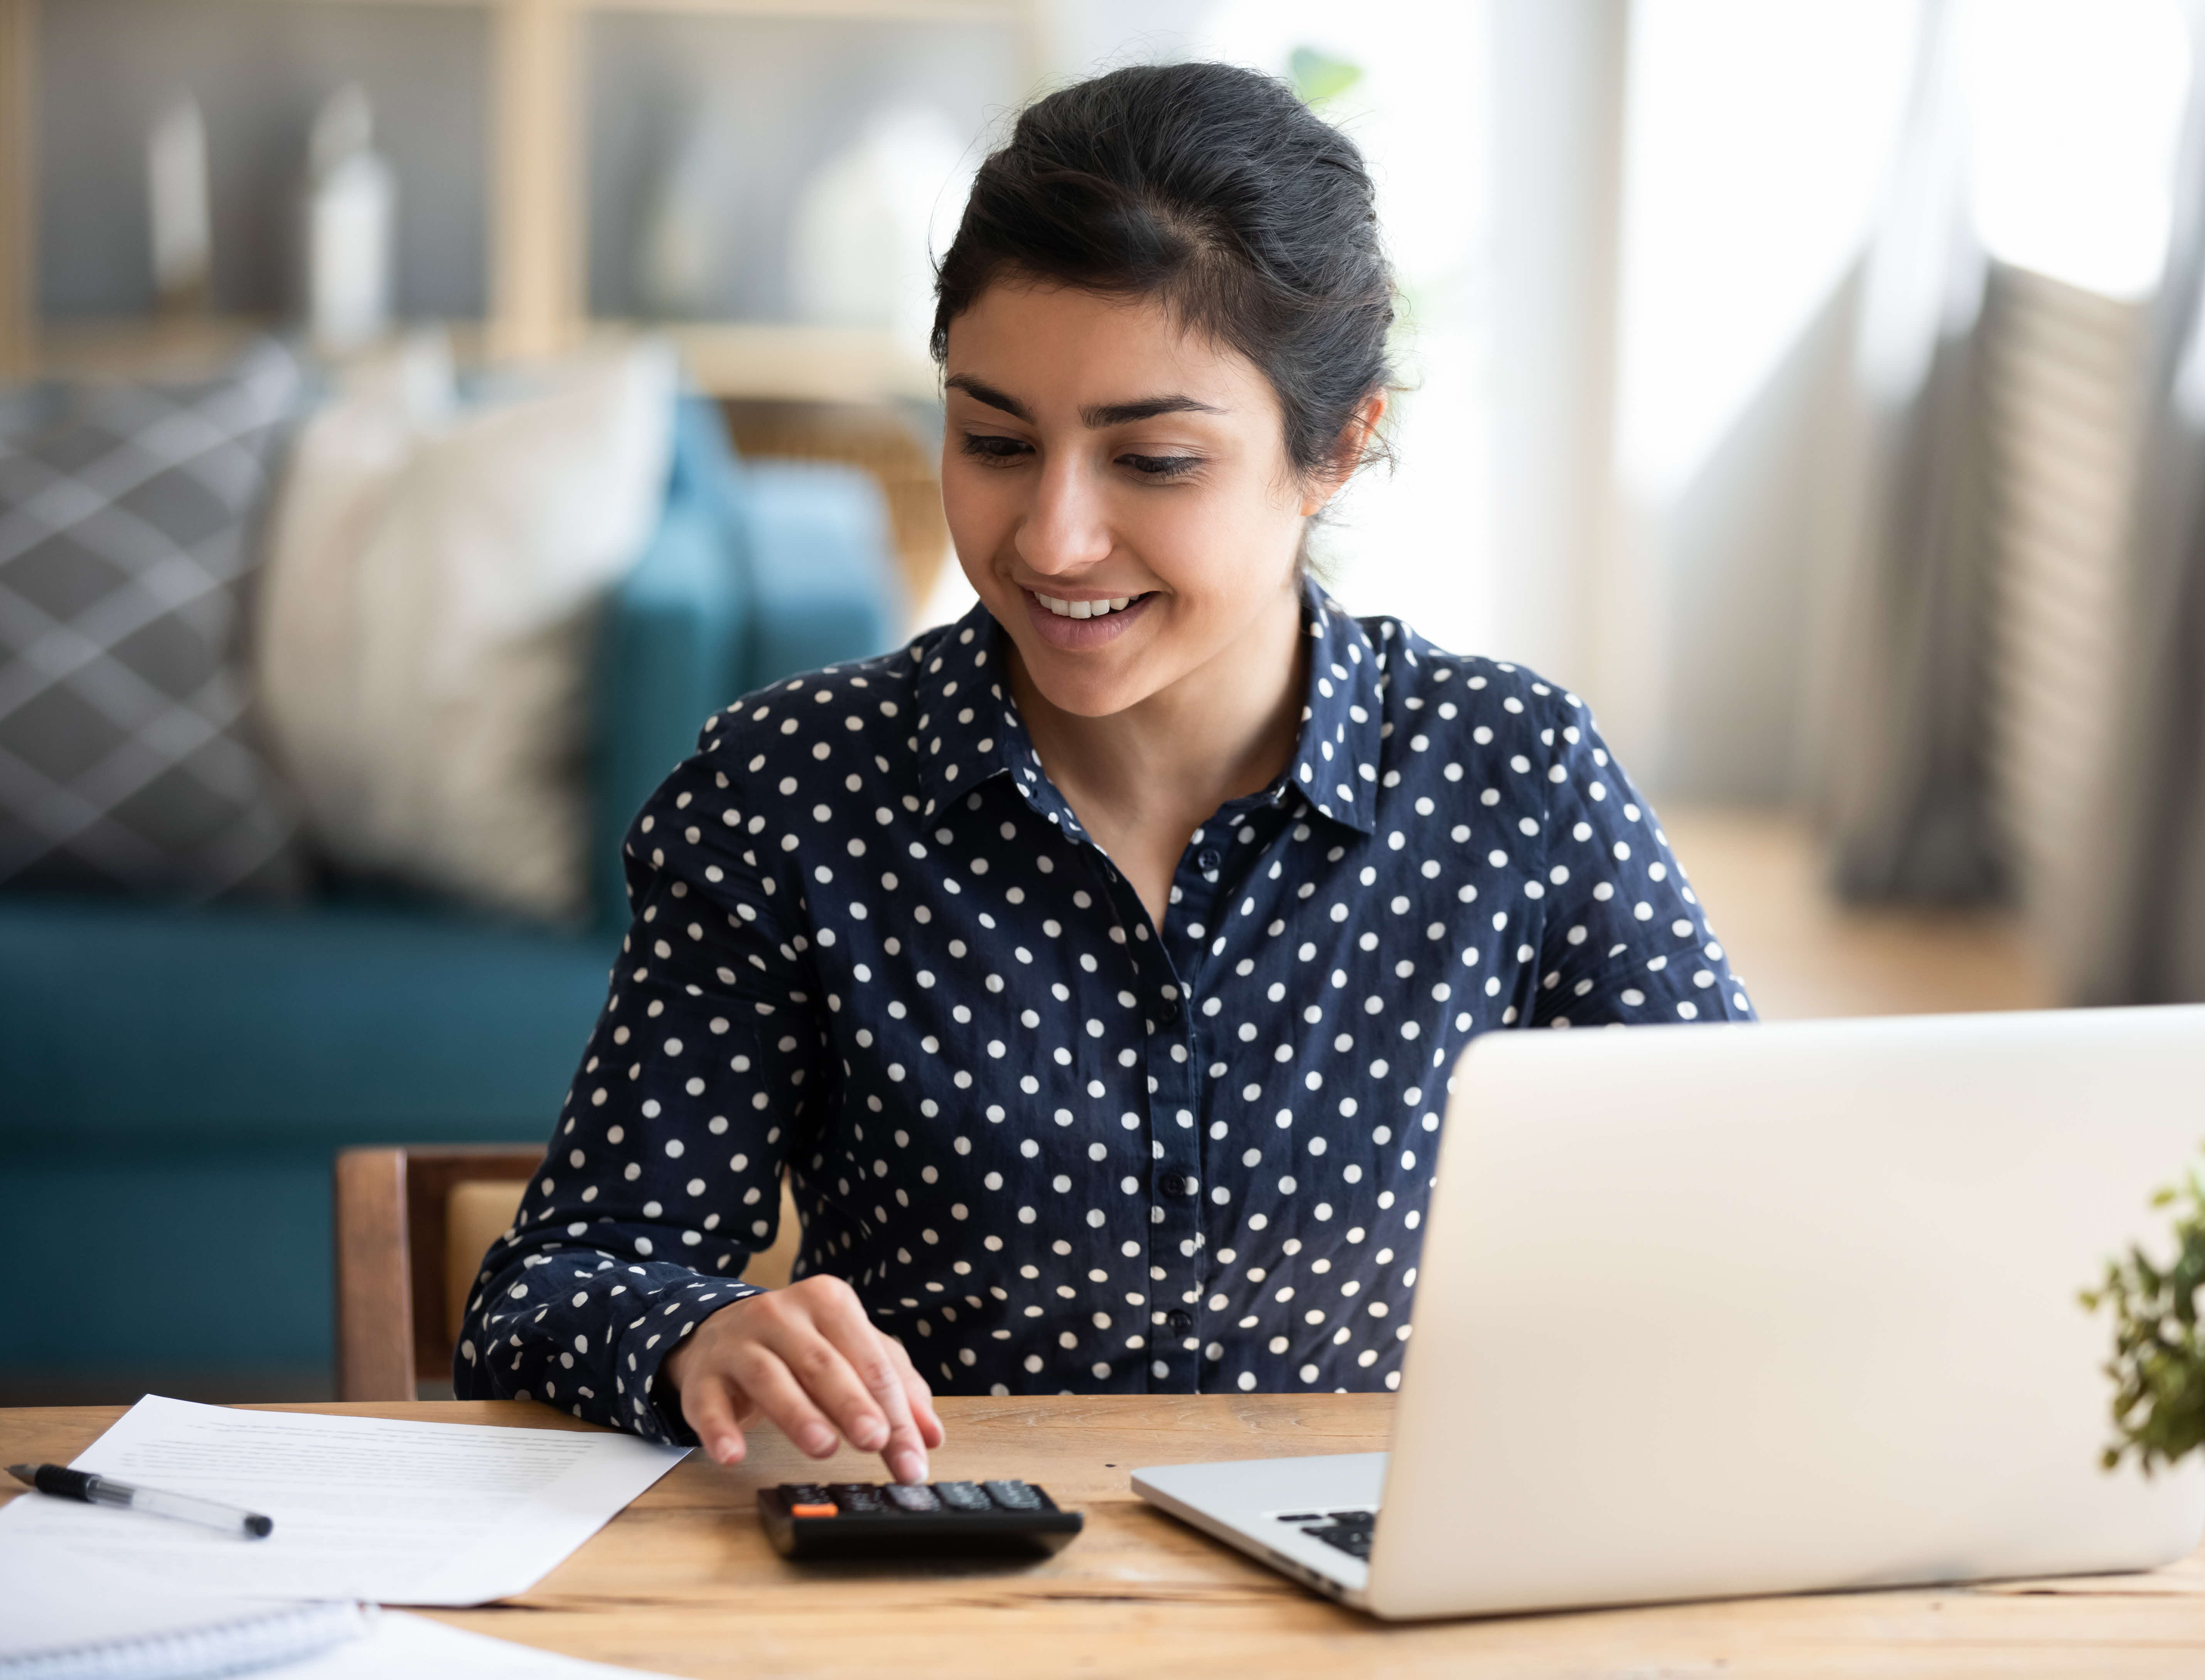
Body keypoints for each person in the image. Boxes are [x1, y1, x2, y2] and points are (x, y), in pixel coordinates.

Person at [457, 61, 1754, 1483]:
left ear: (1337, 448)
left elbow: (1754, 1217)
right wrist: (697, 1332)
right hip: (950, 1585)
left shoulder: (1516, 778)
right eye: (996, 440)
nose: (1055, 538)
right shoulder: (792, 793)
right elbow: (546, 1294)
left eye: (1153, 460)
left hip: (1380, 1584)